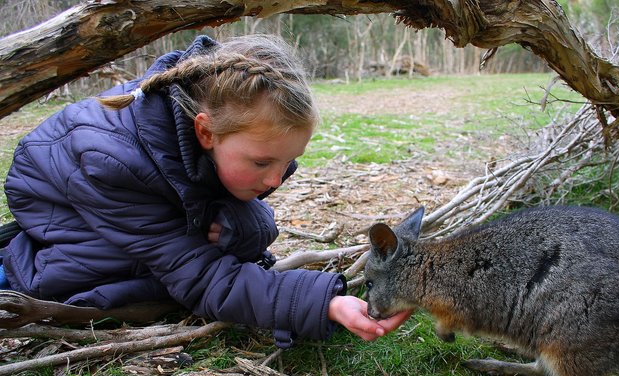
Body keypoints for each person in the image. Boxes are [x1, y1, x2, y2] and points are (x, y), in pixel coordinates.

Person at [1, 34, 411, 347]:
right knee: (125, 285)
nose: (275, 179)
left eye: (288, 161)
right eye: (263, 163)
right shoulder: (111, 161)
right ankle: (11, 268)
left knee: (243, 228)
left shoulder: (235, 137)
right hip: (63, 206)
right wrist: (323, 303)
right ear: (205, 132)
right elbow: (200, 278)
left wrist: (250, 225)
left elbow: (226, 221)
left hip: (138, 197)